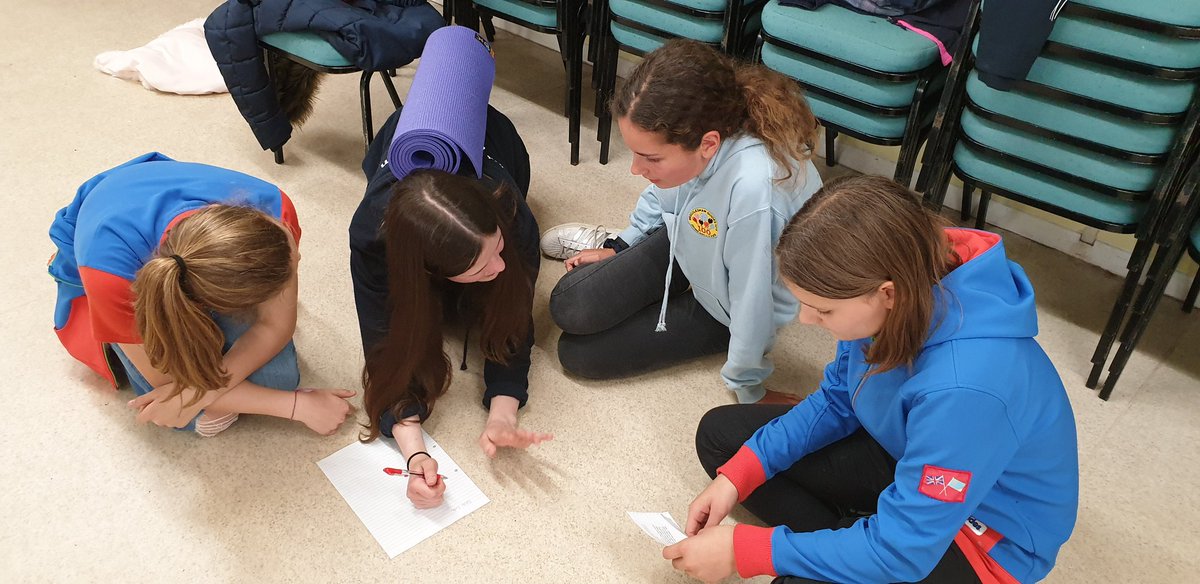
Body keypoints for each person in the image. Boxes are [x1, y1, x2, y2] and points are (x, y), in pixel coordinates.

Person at [665, 176, 1079, 583]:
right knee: (725, 446)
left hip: (981, 537)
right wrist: (740, 476)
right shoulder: (900, 289)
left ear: (887, 294)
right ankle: (854, 543)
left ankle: (855, 546)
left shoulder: (966, 387)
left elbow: (905, 552)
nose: (806, 320)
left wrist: (748, 551)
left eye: (823, 310)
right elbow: (837, 400)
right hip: (911, 455)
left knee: (802, 573)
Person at [541, 39, 822, 405]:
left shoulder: (756, 191)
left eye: (650, 158)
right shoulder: (706, 133)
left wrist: (748, 386)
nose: (636, 169)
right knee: (568, 303)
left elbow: (753, 301)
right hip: (694, 237)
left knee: (576, 356)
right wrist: (622, 245)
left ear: (708, 144)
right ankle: (648, 263)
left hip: (728, 306)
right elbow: (663, 194)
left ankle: (677, 289)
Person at [48, 153, 356, 437]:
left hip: (150, 223)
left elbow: (276, 326)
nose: (298, 260)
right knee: (179, 414)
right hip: (109, 256)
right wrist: (295, 407)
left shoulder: (275, 213)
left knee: (271, 381)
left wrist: (194, 396)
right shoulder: (111, 274)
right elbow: (166, 384)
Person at [350, 105, 552, 509]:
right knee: (430, 316)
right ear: (426, 270)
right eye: (482, 265)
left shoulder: (512, 218)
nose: (499, 265)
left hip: (496, 138)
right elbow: (384, 343)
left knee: (488, 295)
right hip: (397, 142)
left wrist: (503, 411)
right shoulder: (371, 240)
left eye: (497, 250)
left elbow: (513, 320)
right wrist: (415, 453)